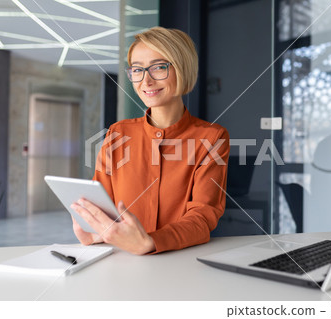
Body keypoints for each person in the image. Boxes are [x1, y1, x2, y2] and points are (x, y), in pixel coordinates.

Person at [71, 27, 230, 255]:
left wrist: (150, 242)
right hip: (120, 261)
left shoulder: (212, 137)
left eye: (158, 67)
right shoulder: (118, 133)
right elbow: (102, 203)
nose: (146, 80)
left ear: (182, 68)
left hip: (180, 264)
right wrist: (93, 230)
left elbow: (203, 218)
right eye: (137, 70)